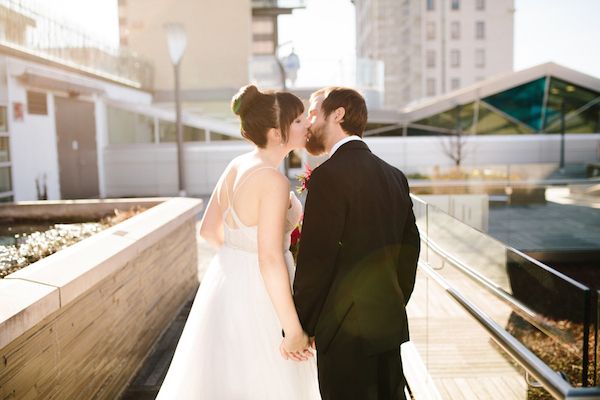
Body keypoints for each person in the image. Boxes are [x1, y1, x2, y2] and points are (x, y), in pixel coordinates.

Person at [157, 85, 320, 400]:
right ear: (276, 133)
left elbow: (208, 230)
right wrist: (294, 330)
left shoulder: (236, 166)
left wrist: (238, 258)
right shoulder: (272, 181)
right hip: (264, 294)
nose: (306, 126)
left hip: (226, 285)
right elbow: (270, 258)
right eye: (299, 121)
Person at [293, 87, 420, 400]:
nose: (308, 122)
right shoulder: (395, 176)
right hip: (387, 327)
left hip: (343, 334)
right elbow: (410, 251)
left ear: (338, 114)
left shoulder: (328, 177)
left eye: (312, 112)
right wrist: (391, 301)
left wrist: (301, 327)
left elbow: (316, 260)